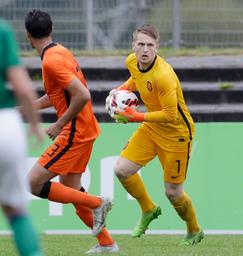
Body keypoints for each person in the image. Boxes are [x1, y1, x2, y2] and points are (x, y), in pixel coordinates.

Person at [24, 9, 119, 254]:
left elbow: (82, 94)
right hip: (85, 128)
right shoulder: (60, 52)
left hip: (75, 131)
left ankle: (98, 202)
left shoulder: (50, 61)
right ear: (51, 29)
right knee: (72, 190)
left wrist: (59, 123)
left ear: (27, 36)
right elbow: (59, 94)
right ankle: (107, 244)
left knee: (33, 183)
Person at [106, 24, 204, 245]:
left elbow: (170, 115)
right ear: (133, 46)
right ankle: (148, 209)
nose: (145, 50)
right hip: (152, 128)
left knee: (173, 193)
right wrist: (120, 92)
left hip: (177, 134)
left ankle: (194, 229)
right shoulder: (132, 61)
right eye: (140, 44)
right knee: (122, 170)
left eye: (150, 45)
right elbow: (135, 80)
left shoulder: (164, 76)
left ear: (157, 48)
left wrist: (133, 116)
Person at [0, 19, 44, 256]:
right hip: (5, 126)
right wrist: (35, 125)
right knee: (15, 208)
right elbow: (23, 88)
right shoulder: (2, 31)